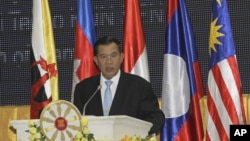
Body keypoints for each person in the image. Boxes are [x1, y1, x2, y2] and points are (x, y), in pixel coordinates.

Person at [73, 36, 164, 135]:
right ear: (96, 60)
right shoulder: (83, 89)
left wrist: (136, 134)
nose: (109, 61)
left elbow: (156, 117)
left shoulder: (139, 86)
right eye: (103, 56)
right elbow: (75, 122)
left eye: (113, 55)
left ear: (121, 57)